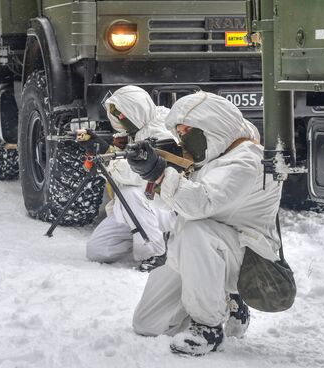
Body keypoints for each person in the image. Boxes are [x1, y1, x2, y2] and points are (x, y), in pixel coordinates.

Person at [128, 91, 283, 356]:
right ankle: (211, 299)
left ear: (212, 124)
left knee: (195, 231)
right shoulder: (215, 154)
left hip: (246, 257)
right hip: (202, 253)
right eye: (180, 132)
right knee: (147, 323)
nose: (184, 138)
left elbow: (200, 204)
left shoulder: (247, 161)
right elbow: (171, 205)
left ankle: (208, 326)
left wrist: (162, 173)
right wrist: (156, 171)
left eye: (187, 130)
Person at [80, 85, 176, 272]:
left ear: (136, 111)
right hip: (137, 209)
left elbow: (136, 176)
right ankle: (146, 233)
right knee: (97, 250)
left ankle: (156, 252)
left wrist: (107, 153)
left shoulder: (161, 133)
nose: (119, 121)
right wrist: (106, 153)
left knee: (129, 192)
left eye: (122, 116)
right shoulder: (138, 129)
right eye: (117, 116)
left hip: (163, 205)